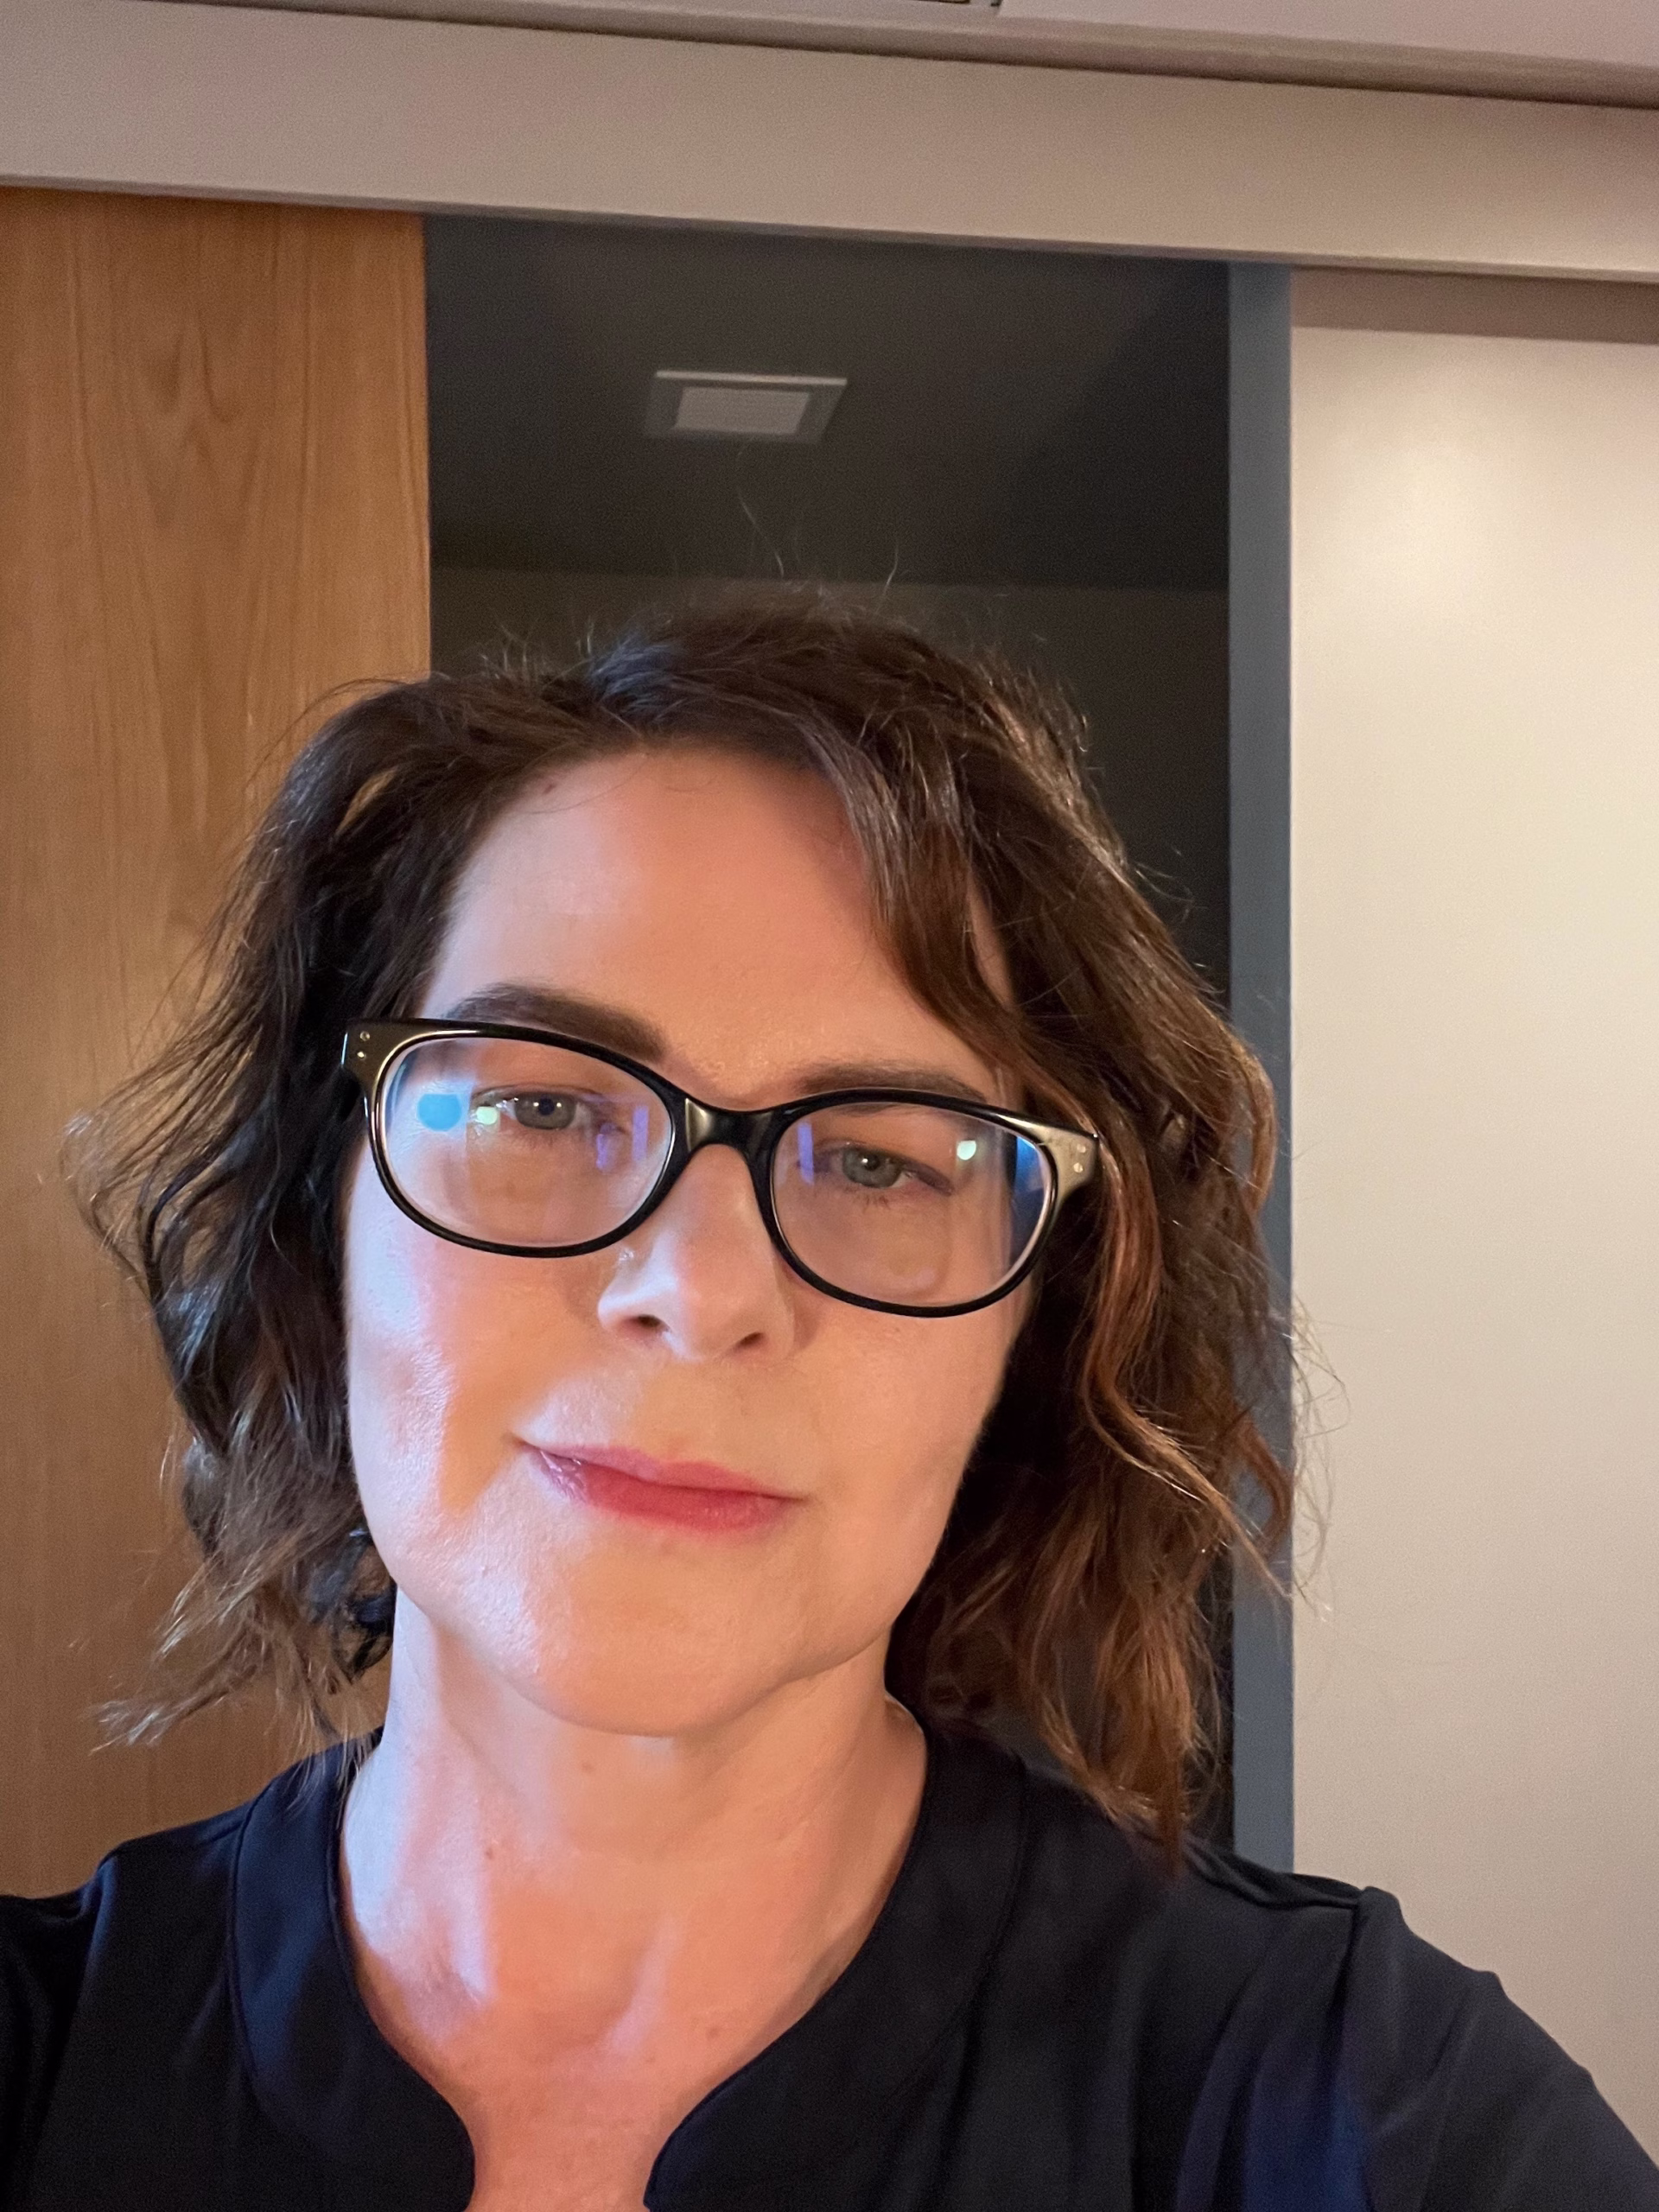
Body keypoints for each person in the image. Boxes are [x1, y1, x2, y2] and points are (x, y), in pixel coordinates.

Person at [1, 602, 1653, 2212]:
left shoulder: (1367, 2113)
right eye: (541, 1104)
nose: (699, 1289)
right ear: (321, 1219)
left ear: (1034, 1324)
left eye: (877, 1158)